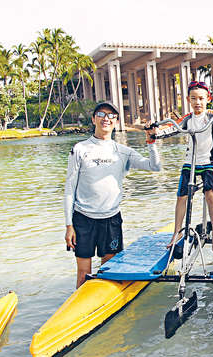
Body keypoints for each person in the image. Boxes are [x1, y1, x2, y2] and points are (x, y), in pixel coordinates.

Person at [64, 101, 162, 288]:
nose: (106, 119)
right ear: (93, 119)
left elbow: (154, 166)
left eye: (111, 116)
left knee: (109, 271)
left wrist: (151, 142)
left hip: (111, 220)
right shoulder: (80, 149)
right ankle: (82, 310)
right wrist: (69, 226)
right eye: (101, 114)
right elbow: (69, 189)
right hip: (83, 220)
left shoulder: (122, 152)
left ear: (116, 121)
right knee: (84, 273)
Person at [167, 81, 213, 253]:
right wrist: (156, 131)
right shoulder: (187, 119)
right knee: (182, 196)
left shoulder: (211, 116)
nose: (197, 102)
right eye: (194, 99)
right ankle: (177, 232)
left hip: (208, 162)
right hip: (190, 162)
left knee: (210, 194)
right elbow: (171, 127)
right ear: (188, 100)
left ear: (208, 98)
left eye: (201, 98)